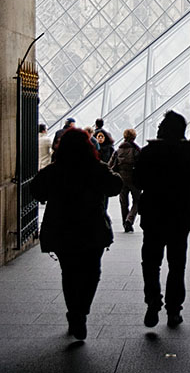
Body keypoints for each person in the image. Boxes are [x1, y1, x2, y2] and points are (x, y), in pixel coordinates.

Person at [30, 128, 122, 340]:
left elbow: (36, 191)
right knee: (92, 272)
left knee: (69, 273)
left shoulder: (55, 170)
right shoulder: (96, 168)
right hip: (92, 227)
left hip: (62, 229)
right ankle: (82, 311)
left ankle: (74, 312)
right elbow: (115, 186)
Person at [133, 110, 190, 329]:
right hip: (179, 216)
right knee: (177, 264)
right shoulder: (189, 153)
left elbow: (137, 180)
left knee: (151, 263)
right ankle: (174, 310)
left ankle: (153, 302)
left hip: (153, 215)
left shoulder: (149, 152)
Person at [109, 128, 141, 232]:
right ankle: (129, 219)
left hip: (121, 179)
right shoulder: (136, 150)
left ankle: (125, 223)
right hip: (134, 179)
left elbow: (110, 165)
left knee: (123, 203)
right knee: (137, 201)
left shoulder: (118, 150)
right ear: (134, 137)